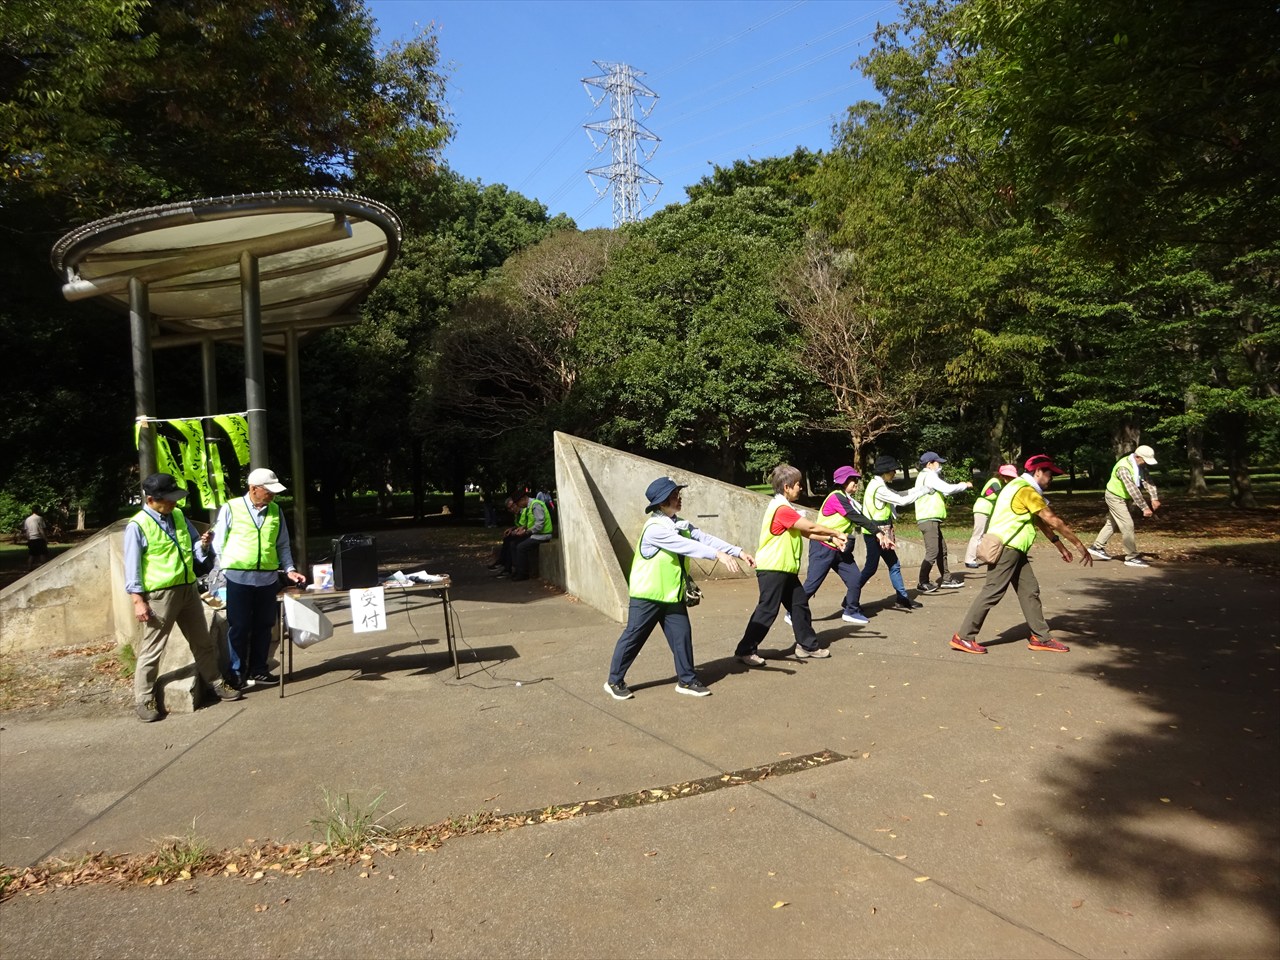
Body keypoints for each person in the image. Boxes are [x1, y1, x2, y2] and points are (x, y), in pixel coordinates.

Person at [605, 477, 754, 700]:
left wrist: (738, 552)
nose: (679, 498)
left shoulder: (679, 524)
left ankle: (687, 680)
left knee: (682, 636)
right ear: (662, 502)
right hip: (647, 596)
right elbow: (686, 545)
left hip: (671, 595)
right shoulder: (654, 529)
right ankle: (614, 680)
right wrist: (717, 555)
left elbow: (705, 538)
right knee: (633, 638)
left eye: (678, 494)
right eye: (674, 496)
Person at [124, 473, 242, 721]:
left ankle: (216, 682)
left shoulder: (178, 515)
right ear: (151, 499)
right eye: (168, 499)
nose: (174, 503)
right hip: (160, 595)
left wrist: (204, 544)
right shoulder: (137, 525)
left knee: (202, 641)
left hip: (188, 589)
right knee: (152, 649)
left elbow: (194, 547)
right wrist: (138, 601)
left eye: (174, 498)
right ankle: (144, 699)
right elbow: (132, 567)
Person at [949, 454, 1093, 656]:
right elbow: (1052, 520)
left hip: (1016, 550)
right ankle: (964, 637)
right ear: (1038, 472)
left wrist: (1059, 545)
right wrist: (1078, 544)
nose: (1051, 479)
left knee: (1030, 591)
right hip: (1006, 549)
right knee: (992, 592)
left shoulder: (1017, 486)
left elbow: (1038, 520)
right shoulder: (1025, 490)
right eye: (1050, 474)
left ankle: (1041, 638)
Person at [734, 464, 847, 663]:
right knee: (768, 609)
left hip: (784, 568)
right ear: (787, 487)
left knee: (799, 605)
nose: (800, 488)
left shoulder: (784, 508)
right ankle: (745, 650)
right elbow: (810, 527)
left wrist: (830, 539)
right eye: (797, 484)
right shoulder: (781, 509)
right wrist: (836, 532)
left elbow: (806, 532)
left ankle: (807, 645)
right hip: (773, 568)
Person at [212, 467, 307, 688]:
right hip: (238, 577)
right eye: (268, 491)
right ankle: (236, 672)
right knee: (239, 626)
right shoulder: (231, 508)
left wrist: (289, 569)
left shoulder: (275, 510)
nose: (272, 495)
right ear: (254, 489)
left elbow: (282, 544)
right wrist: (225, 568)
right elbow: (219, 542)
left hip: (267, 578)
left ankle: (259, 669)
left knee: (265, 625)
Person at [800, 465, 891, 627]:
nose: (856, 482)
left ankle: (851, 611)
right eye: (852, 479)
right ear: (843, 482)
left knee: (855, 578)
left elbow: (861, 516)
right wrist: (878, 533)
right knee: (812, 584)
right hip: (823, 546)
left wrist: (879, 533)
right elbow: (856, 517)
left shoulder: (848, 499)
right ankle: (793, 611)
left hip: (841, 548)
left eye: (856, 479)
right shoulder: (836, 497)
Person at [844, 455, 925, 619]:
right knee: (870, 568)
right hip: (875, 532)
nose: (895, 473)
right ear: (885, 471)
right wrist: (924, 491)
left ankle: (902, 598)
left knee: (894, 564)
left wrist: (921, 489)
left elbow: (900, 493)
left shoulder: (879, 484)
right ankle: (849, 600)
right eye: (893, 470)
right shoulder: (879, 488)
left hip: (881, 531)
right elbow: (901, 500)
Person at [1088, 444, 1161, 567]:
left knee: (1112, 523)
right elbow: (1133, 490)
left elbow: (1148, 481)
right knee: (1127, 524)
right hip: (1114, 497)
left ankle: (1097, 546)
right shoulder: (1123, 468)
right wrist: (1145, 508)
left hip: (1123, 497)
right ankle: (1131, 557)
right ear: (1137, 457)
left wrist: (1154, 498)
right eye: (1145, 460)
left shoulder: (1140, 465)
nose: (1146, 463)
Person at [913, 452, 974, 593]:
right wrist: (964, 485)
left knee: (942, 550)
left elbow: (943, 491)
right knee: (933, 552)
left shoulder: (925, 476)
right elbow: (947, 488)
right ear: (929, 464)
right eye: (937, 462)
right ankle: (923, 582)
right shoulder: (929, 476)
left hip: (931, 519)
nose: (940, 465)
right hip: (928, 519)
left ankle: (946, 579)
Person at [964, 464, 1019, 568]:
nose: (1009, 479)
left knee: (984, 535)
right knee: (977, 535)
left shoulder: (998, 483)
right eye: (1007, 476)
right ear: (1001, 475)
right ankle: (969, 559)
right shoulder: (995, 482)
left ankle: (982, 555)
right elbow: (989, 493)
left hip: (987, 510)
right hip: (982, 509)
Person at [495, 491, 553, 581]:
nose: (519, 506)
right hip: (536, 534)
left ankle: (523, 573)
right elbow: (531, 522)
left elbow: (539, 525)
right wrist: (523, 528)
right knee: (514, 544)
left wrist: (526, 532)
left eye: (518, 503)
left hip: (542, 535)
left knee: (521, 547)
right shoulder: (530, 506)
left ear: (523, 499)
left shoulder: (536, 505)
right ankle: (517, 570)